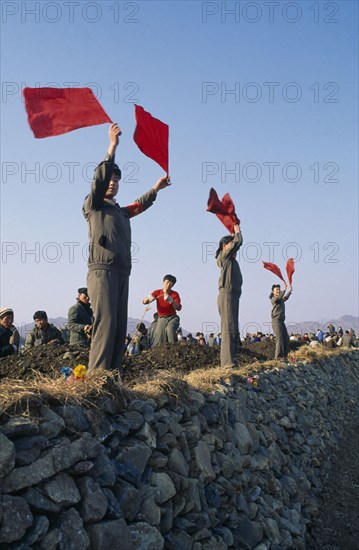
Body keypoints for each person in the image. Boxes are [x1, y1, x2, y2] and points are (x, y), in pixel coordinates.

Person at [83, 123, 170, 371]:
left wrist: (156, 188)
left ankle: (112, 375)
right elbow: (99, 181)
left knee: (120, 326)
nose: (112, 182)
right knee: (106, 323)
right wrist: (112, 148)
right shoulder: (94, 205)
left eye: (116, 180)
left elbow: (139, 205)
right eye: (110, 178)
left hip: (123, 271)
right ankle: (97, 377)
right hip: (103, 270)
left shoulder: (120, 212)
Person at [216, 223, 243, 368]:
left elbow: (235, 245)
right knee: (228, 329)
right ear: (223, 247)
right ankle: (227, 363)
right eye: (229, 244)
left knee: (232, 329)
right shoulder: (224, 257)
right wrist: (237, 232)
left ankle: (231, 361)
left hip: (233, 296)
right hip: (227, 296)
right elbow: (236, 243)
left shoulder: (231, 260)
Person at [142, 275, 182, 345]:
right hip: (162, 318)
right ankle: (162, 351)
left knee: (170, 329)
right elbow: (145, 301)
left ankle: (174, 347)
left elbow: (178, 308)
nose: (168, 285)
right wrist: (147, 300)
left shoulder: (175, 294)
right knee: (160, 336)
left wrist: (171, 301)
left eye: (171, 284)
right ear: (163, 282)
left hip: (172, 317)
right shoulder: (157, 292)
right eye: (167, 282)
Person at [270, 283, 292, 361]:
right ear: (273, 292)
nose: (278, 291)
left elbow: (284, 298)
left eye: (279, 289)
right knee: (279, 339)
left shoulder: (280, 299)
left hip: (282, 322)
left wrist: (289, 291)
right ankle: (278, 358)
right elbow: (279, 298)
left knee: (286, 338)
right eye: (277, 290)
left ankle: (285, 356)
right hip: (276, 321)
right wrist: (284, 289)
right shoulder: (274, 299)